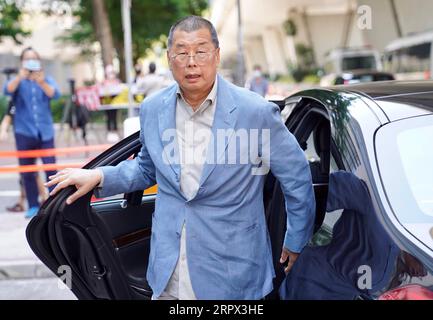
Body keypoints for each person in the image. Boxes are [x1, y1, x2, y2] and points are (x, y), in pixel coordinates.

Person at [46, 16, 315, 300]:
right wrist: (99, 176)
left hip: (234, 273)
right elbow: (147, 170)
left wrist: (295, 241)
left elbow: (297, 178)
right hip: (168, 272)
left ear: (217, 55)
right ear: (169, 58)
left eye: (200, 51)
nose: (191, 61)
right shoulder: (153, 108)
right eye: (181, 52)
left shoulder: (255, 112)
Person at [3, 47, 60, 219]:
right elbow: (7, 90)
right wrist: (20, 76)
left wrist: (41, 82)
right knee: (27, 171)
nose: (30, 62)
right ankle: (33, 205)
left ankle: (54, 204)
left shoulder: (47, 79)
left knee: (51, 169)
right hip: (23, 132)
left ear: (39, 61)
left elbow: (55, 94)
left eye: (33, 58)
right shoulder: (17, 81)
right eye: (27, 59)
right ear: (21, 62)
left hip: (45, 131)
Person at [0, 100, 48, 213]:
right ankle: (28, 200)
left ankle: (43, 198)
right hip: (24, 139)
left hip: (36, 137)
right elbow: (8, 116)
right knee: (27, 171)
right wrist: (3, 130)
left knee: (30, 171)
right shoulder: (16, 99)